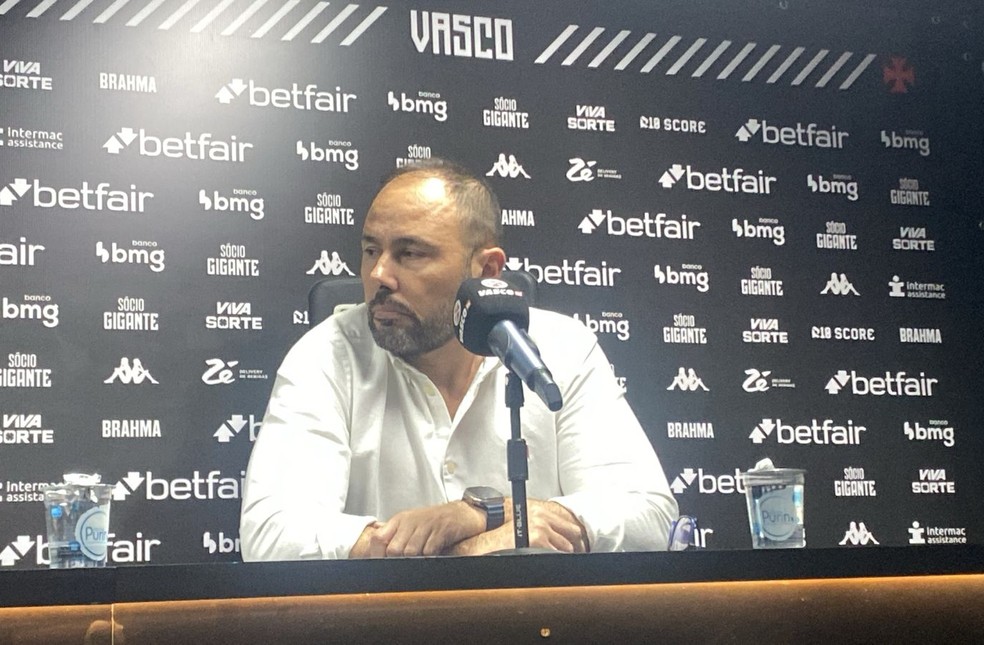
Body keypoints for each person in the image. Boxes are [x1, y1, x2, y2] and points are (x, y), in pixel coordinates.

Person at [240, 159, 678, 560]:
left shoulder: (562, 348)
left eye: (410, 254)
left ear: (486, 270)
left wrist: (476, 514)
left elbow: (648, 514)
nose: (378, 275)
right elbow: (274, 536)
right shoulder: (327, 355)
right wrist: (475, 546)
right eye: (371, 250)